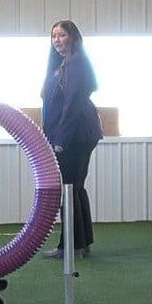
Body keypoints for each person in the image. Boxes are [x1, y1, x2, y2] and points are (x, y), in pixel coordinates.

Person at [39, 20, 103, 259]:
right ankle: (82, 244)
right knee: (75, 188)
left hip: (75, 136)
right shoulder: (61, 64)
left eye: (62, 35)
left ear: (73, 37)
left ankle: (71, 246)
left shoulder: (76, 64)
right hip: (75, 134)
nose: (57, 39)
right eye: (53, 35)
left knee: (69, 189)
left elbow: (72, 103)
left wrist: (61, 139)